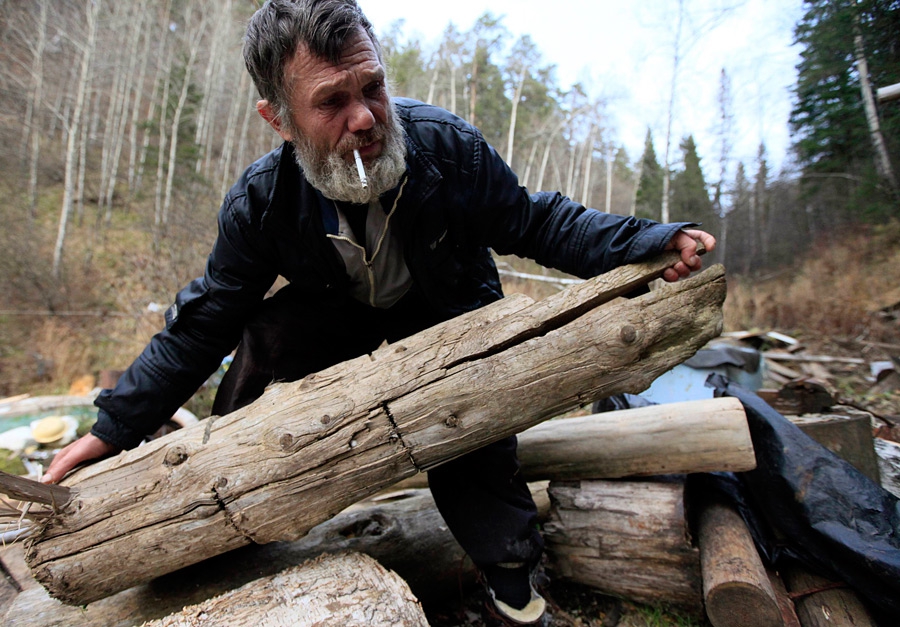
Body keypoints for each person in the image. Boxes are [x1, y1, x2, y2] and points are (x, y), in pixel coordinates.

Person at [44, 1, 715, 623]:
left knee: (470, 420)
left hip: (447, 310)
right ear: (278, 119)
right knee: (262, 334)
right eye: (331, 102)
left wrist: (651, 240)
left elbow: (535, 223)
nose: (364, 117)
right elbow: (203, 321)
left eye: (371, 87)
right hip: (341, 318)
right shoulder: (261, 204)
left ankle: (514, 588)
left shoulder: (447, 149)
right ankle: (223, 505)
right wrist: (112, 429)